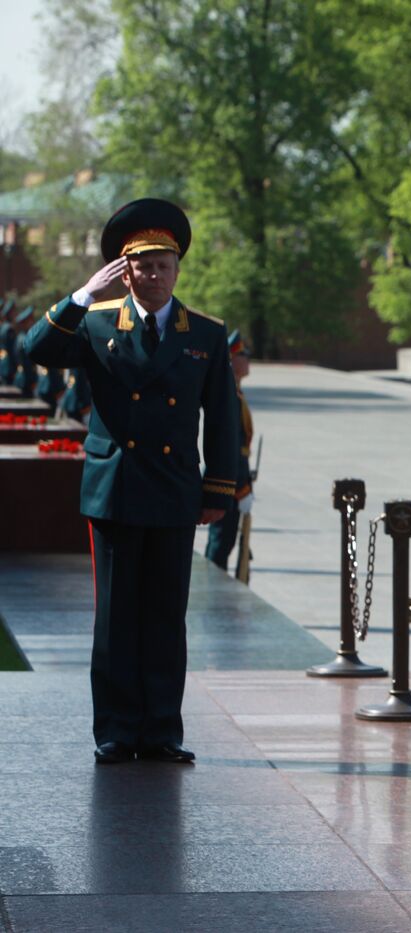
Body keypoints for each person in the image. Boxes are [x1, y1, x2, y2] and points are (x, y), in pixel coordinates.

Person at [24, 197, 239, 765]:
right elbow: (35, 349)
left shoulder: (206, 335)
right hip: (116, 489)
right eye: (142, 266)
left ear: (177, 269)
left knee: (166, 618)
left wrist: (220, 490)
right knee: (117, 619)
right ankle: (117, 730)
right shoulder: (96, 323)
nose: (153, 275)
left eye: (163, 265)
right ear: (126, 270)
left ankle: (162, 729)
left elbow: (220, 417)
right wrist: (82, 295)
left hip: (173, 491)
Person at [205, 329, 255, 573]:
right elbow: (232, 446)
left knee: (225, 541)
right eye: (242, 355)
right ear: (231, 360)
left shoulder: (236, 393)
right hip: (230, 483)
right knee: (220, 542)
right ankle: (213, 582)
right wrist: (241, 487)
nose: (247, 360)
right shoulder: (230, 396)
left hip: (233, 480)